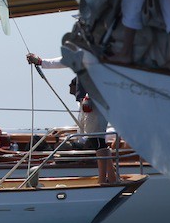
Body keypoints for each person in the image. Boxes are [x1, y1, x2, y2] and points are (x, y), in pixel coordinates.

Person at [27, 55, 120, 184]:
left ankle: (103, 180)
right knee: (97, 141)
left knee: (97, 141)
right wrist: (41, 62)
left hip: (95, 102)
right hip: (90, 103)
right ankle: (112, 177)